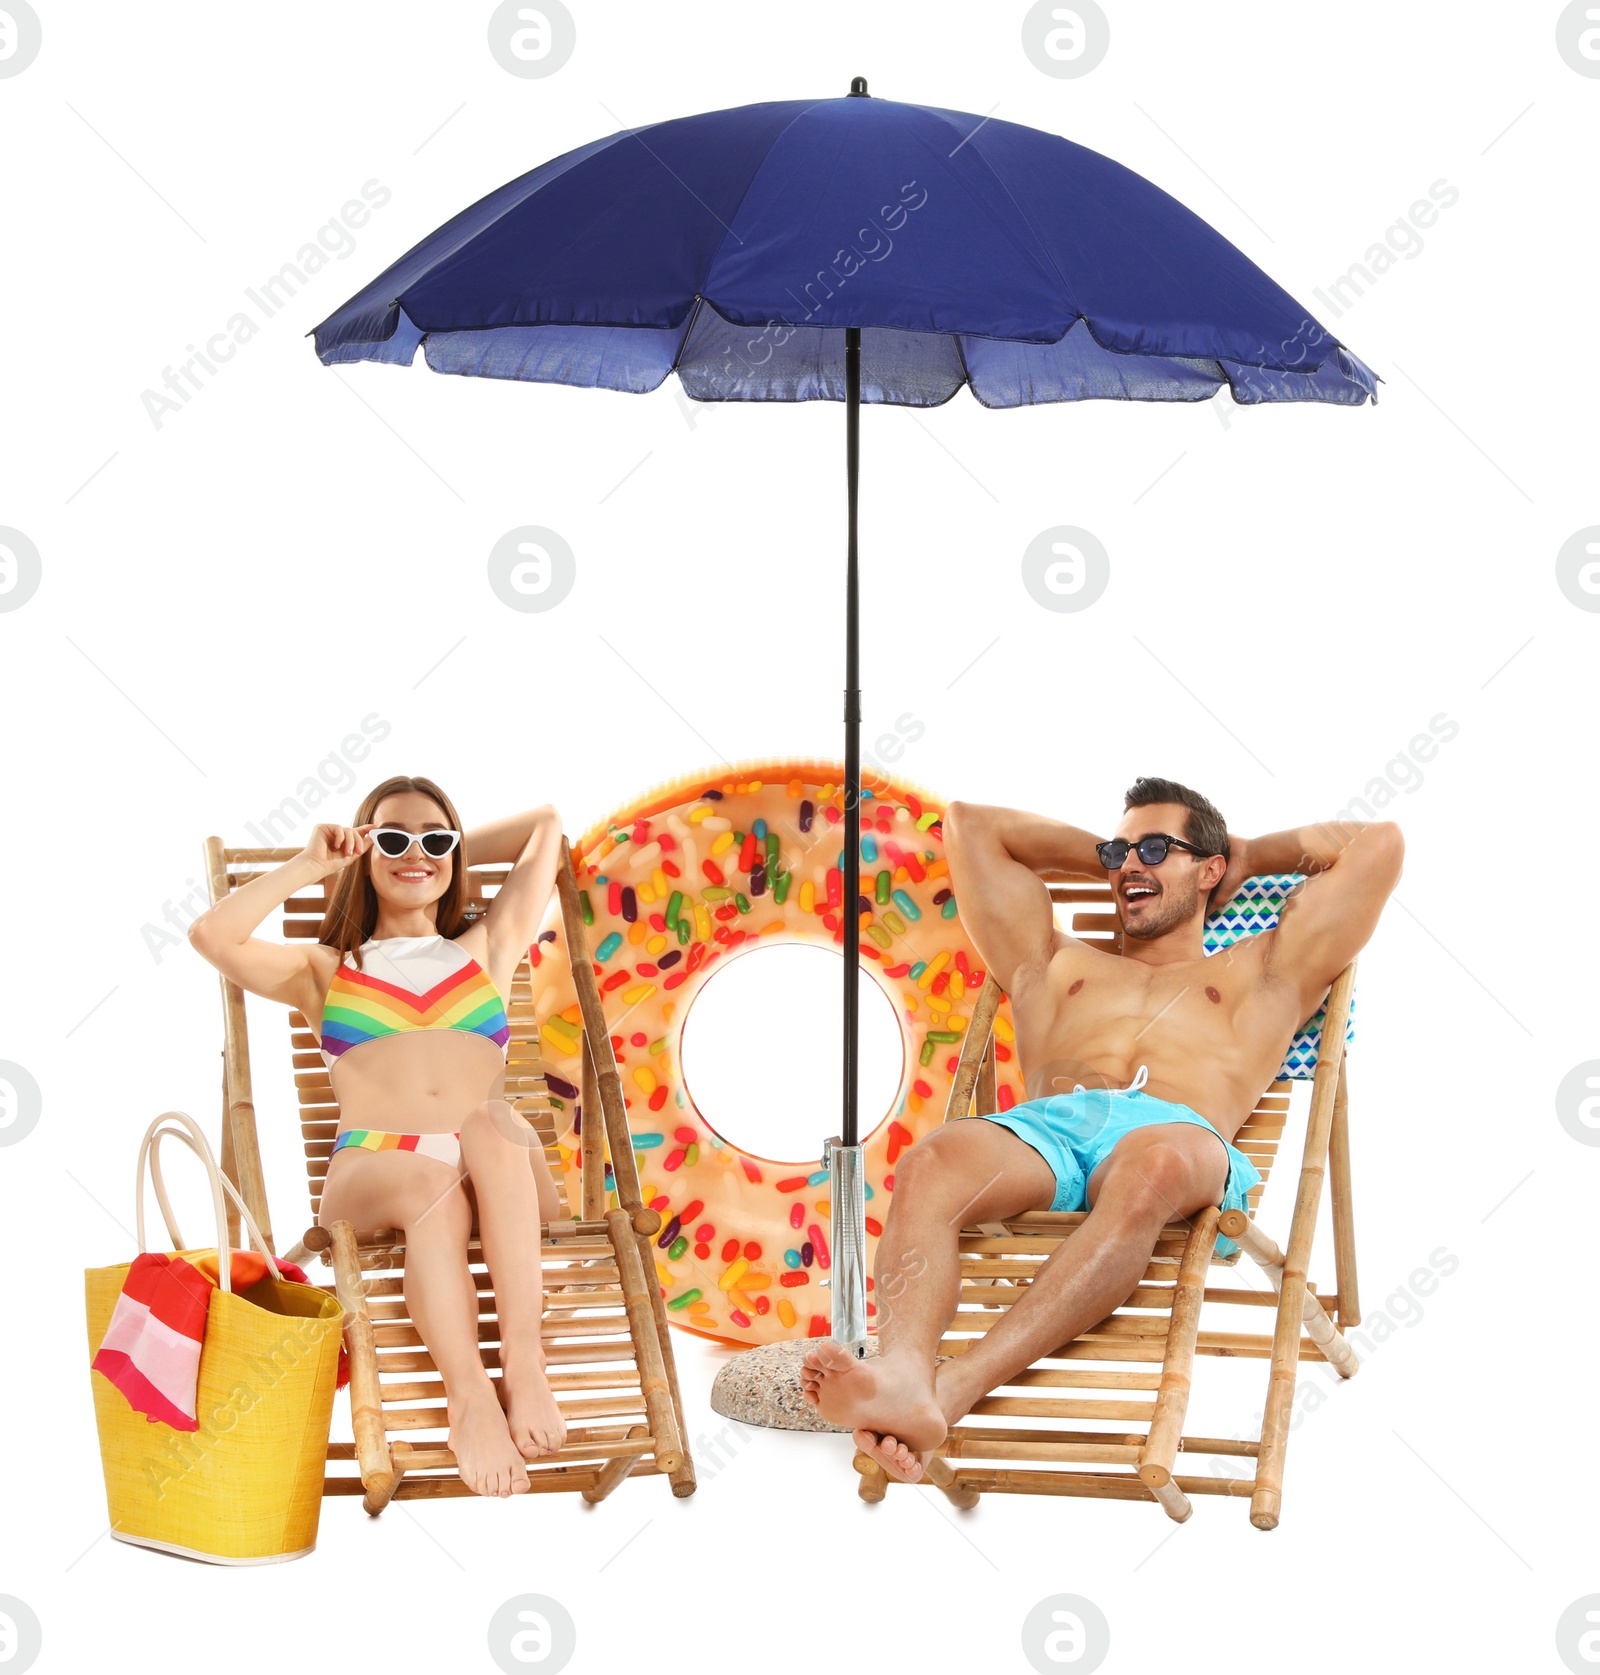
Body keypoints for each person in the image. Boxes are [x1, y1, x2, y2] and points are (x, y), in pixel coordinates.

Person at [801, 775, 1402, 1483]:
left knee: (1152, 1165)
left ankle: (954, 1388)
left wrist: (1249, 854)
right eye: (1121, 849)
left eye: (1154, 847)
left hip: (1176, 1137)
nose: (1129, 865)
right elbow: (970, 825)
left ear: (1209, 871)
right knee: (933, 1160)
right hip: (1045, 1132)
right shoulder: (1051, 961)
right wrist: (1117, 858)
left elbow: (1379, 845)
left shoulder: (1263, 970)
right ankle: (903, 1372)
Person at [188, 775, 567, 1498]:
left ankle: (523, 1359)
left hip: (487, 1164)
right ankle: (469, 1398)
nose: (414, 854)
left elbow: (545, 821)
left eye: (435, 839)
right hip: (378, 1162)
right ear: (364, 853)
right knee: (429, 1184)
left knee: (496, 1117)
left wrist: (428, 848)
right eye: (392, 838)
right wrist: (317, 862)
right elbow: (211, 935)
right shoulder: (325, 967)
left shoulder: (486, 947)